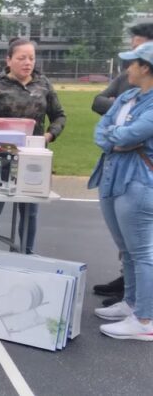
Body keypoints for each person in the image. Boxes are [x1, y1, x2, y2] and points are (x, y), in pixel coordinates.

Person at [0, 38, 67, 280]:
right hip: (2, 156)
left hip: (34, 157)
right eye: (22, 58)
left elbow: (59, 116)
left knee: (30, 210)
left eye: (31, 58)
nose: (27, 63)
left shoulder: (43, 85)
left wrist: (48, 135)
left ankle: (27, 255)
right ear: (8, 60)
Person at [89, 41, 153, 341]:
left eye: (132, 63)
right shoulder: (128, 96)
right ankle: (130, 303)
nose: (127, 68)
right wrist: (118, 139)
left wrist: (119, 136)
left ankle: (144, 319)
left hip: (138, 181)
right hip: (113, 176)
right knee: (126, 248)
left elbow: (133, 133)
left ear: (146, 68)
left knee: (142, 252)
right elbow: (103, 132)